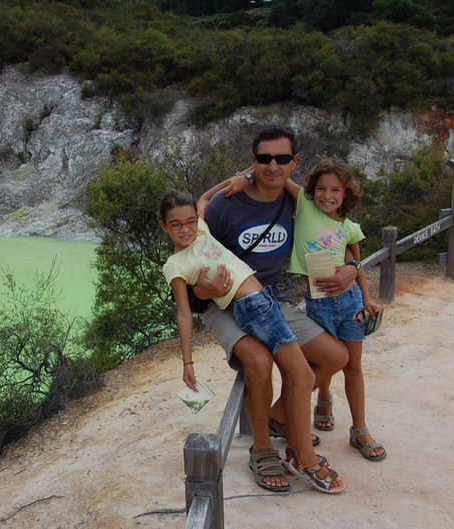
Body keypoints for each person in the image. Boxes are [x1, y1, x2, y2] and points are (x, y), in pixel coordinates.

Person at [192, 126, 352, 492]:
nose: (273, 165)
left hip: (270, 298)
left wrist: (351, 269)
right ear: (254, 160)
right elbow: (192, 258)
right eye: (264, 158)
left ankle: (280, 418)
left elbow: (334, 231)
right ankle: (262, 448)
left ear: (295, 162)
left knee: (334, 357)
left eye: (282, 158)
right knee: (260, 361)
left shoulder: (296, 203)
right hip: (224, 303)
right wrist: (204, 289)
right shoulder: (225, 205)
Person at [160, 190, 344, 493]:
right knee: (302, 375)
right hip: (253, 308)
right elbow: (184, 313)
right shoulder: (176, 264)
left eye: (190, 221)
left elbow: (204, 201)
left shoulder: (202, 230)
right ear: (164, 227)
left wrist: (239, 178)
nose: (186, 229)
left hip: (265, 300)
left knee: (303, 374)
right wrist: (188, 362)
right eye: (176, 225)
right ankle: (302, 458)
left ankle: (289, 435)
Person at [284, 158, 387, 461]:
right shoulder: (303, 205)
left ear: (346, 194)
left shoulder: (349, 227)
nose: (327, 196)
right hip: (318, 304)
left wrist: (367, 300)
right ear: (312, 189)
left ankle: (359, 429)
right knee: (327, 360)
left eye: (335, 190)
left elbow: (357, 268)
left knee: (353, 366)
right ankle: (324, 398)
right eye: (321, 189)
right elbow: (280, 175)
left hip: (350, 303)